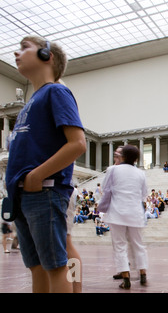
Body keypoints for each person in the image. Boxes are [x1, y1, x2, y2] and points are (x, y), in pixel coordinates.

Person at [5, 36, 86, 293]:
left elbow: (77, 143)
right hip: (23, 195)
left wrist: (37, 176)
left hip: (44, 191)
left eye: (24, 48)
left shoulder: (56, 91)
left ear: (46, 56)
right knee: (37, 267)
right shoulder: (31, 102)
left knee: (54, 266)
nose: (17, 53)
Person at [99, 144, 148, 290]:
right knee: (139, 245)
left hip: (117, 212)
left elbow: (105, 188)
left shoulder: (113, 170)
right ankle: (143, 273)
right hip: (136, 213)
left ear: (123, 156)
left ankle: (126, 277)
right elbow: (144, 193)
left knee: (120, 245)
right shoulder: (141, 173)